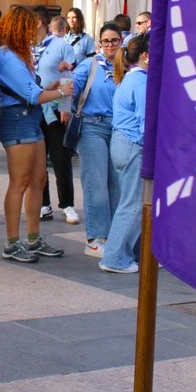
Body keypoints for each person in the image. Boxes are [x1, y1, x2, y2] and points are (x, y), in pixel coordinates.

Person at [0, 6, 72, 263]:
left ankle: (33, 238)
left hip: (29, 119)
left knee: (38, 180)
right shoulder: (7, 55)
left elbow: (32, 91)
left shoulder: (14, 54)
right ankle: (12, 243)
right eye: (33, 28)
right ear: (20, 28)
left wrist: (50, 87)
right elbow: (31, 95)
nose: (36, 33)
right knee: (20, 182)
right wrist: (60, 93)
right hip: (18, 120)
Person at [72, 23, 124, 258]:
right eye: (106, 41)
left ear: (122, 41)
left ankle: (114, 235)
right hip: (92, 126)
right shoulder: (90, 65)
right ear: (99, 44)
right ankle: (95, 238)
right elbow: (71, 88)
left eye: (115, 40)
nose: (111, 45)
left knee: (117, 185)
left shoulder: (128, 67)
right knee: (97, 184)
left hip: (118, 129)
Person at [100, 33, 149, 274]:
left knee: (129, 203)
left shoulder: (128, 79)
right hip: (132, 145)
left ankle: (125, 254)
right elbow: (145, 123)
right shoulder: (141, 83)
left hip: (121, 143)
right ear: (146, 57)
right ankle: (115, 257)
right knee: (131, 205)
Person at [36, 14, 79, 225]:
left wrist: (65, 106)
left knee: (60, 158)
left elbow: (68, 74)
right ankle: (44, 203)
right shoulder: (26, 48)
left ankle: (67, 204)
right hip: (33, 111)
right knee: (38, 161)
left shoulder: (61, 44)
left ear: (41, 24)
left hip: (54, 109)